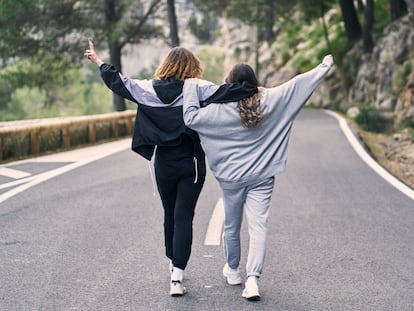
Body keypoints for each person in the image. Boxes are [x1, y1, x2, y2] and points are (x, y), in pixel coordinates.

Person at [182, 55, 334, 301]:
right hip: (262, 177)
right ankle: (252, 280)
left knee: (231, 225)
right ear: (255, 82)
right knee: (258, 226)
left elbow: (190, 117)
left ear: (229, 83)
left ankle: (233, 270)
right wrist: (323, 65)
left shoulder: (217, 110)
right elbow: (298, 85)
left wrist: (190, 84)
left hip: (231, 179)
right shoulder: (270, 100)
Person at [84, 39, 220, 296]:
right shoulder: (197, 88)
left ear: (166, 65)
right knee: (184, 217)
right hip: (191, 162)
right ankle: (177, 276)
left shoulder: (147, 89)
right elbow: (225, 93)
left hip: (163, 163)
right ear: (192, 67)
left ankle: (172, 263)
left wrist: (99, 62)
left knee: (169, 214)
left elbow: (120, 83)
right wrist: (254, 89)